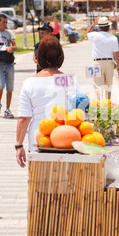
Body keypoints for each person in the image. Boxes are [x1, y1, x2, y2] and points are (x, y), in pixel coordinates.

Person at [15, 36, 79, 166]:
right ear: (61, 57)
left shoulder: (29, 83)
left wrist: (18, 145)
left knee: (40, 179)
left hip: (39, 136)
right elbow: (77, 111)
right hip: (66, 136)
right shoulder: (70, 80)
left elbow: (24, 118)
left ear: (39, 57)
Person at [85, 17, 119, 100]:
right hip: (109, 63)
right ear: (108, 27)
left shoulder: (94, 35)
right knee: (108, 86)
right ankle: (107, 105)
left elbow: (86, 34)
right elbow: (116, 54)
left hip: (97, 63)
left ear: (99, 27)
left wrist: (93, 24)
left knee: (97, 85)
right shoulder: (113, 38)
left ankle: (101, 103)